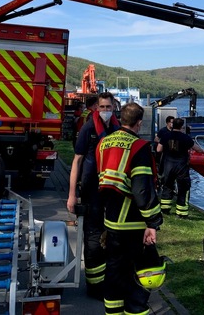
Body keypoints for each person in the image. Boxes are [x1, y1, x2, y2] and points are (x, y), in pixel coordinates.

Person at [96, 102, 163, 315]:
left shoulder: (104, 143)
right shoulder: (139, 147)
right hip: (133, 222)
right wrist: (153, 222)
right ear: (139, 122)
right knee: (138, 278)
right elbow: (142, 190)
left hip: (111, 219)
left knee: (114, 274)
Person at [66, 91, 120, 299]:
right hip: (91, 189)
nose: (106, 111)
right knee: (93, 238)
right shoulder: (88, 128)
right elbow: (76, 161)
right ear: (96, 108)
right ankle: (94, 286)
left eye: (109, 107)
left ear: (114, 107)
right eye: (102, 107)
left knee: (113, 236)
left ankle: (109, 280)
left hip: (112, 189)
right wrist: (72, 195)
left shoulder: (116, 128)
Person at [157, 117, 199, 218]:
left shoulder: (166, 136)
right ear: (181, 127)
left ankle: (165, 209)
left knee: (167, 186)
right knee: (183, 188)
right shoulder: (185, 138)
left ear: (172, 125)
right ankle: (181, 213)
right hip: (181, 166)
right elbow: (197, 148)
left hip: (168, 165)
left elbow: (158, 149)